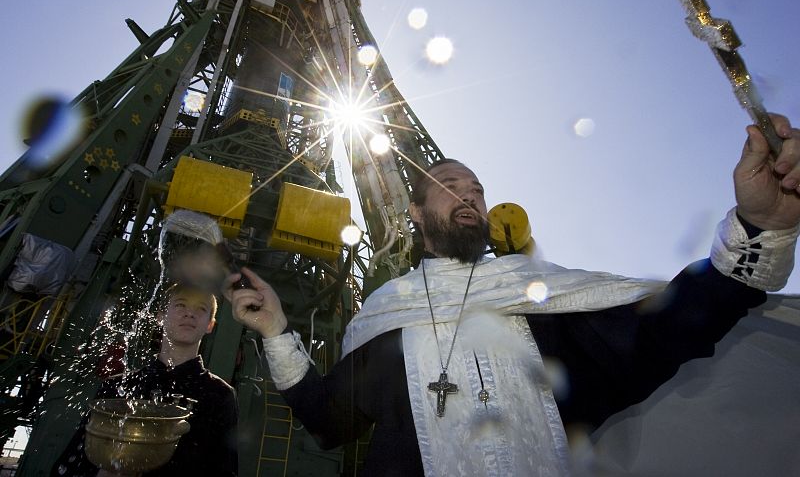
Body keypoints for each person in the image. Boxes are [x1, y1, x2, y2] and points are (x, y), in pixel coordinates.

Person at [228, 114, 800, 476]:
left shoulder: (542, 299)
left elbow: (666, 331)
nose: (469, 196)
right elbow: (330, 420)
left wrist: (759, 225)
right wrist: (279, 333)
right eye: (450, 187)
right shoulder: (386, 317)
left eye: (476, 187)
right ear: (416, 213)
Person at [52, 283, 238, 477]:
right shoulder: (117, 385)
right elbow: (70, 463)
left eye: (200, 309)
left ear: (210, 325)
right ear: (160, 317)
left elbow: (225, 470)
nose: (189, 314)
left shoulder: (221, 395)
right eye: (180, 305)